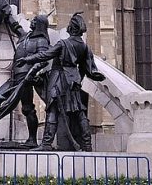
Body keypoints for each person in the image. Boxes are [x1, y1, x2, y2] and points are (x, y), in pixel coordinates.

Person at [20, 12, 105, 151]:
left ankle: (46, 144)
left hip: (58, 79)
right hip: (74, 81)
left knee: (52, 110)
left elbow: (45, 54)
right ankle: (87, 143)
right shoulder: (84, 47)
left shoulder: (63, 43)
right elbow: (88, 68)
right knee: (79, 112)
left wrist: (27, 59)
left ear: (71, 28)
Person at [0, 15, 50, 146]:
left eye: (34, 20)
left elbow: (43, 58)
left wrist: (31, 69)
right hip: (15, 78)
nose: (31, 21)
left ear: (39, 24)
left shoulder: (41, 41)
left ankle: (32, 140)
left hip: (26, 78)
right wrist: (6, 13)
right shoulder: (25, 36)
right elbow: (15, 26)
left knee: (27, 108)